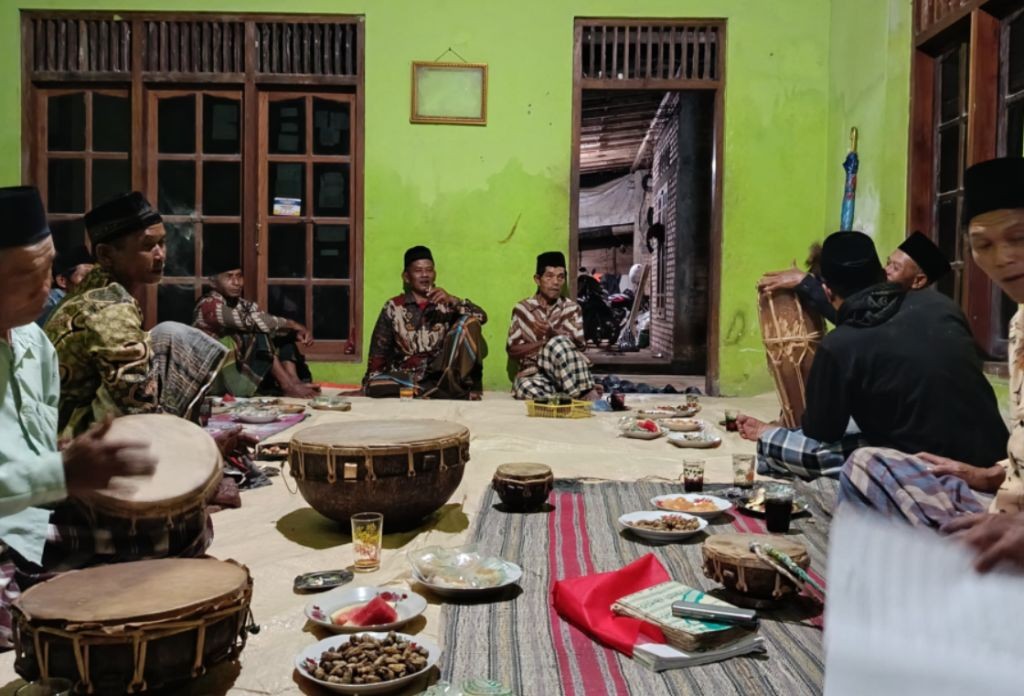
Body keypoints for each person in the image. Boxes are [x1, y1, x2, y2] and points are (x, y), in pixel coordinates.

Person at [840, 158, 1024, 575]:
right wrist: (984, 474)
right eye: (984, 244)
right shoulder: (1019, 323)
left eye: (1019, 236)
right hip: (1000, 506)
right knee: (870, 463)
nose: (1004, 257)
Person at [0, 186, 158, 647]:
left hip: (33, 518)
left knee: (183, 527)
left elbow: (38, 445)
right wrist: (60, 472)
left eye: (48, 269)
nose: (46, 286)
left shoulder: (34, 344)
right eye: (24, 277)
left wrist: (68, 458)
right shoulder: (102, 308)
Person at [738, 230, 1006, 480]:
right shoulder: (942, 306)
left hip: (930, 465)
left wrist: (785, 429)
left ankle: (770, 436)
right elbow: (866, 322)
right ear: (880, 273)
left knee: (813, 451)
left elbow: (822, 433)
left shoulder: (838, 345)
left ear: (828, 291)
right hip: (995, 457)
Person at [44, 192, 227, 437]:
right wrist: (191, 443)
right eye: (147, 246)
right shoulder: (109, 310)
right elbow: (137, 405)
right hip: (68, 441)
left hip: (65, 424)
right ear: (106, 255)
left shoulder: (95, 288)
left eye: (162, 243)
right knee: (173, 337)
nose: (160, 254)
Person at [193, 239, 319, 399]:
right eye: (229, 277)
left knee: (282, 334)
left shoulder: (243, 305)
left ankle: (293, 381)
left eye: (239, 276)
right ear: (213, 282)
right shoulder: (208, 305)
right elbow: (252, 322)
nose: (236, 282)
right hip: (214, 374)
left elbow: (265, 321)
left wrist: (292, 333)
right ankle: (287, 385)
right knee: (258, 331)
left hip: (239, 370)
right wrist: (293, 324)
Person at [363, 245, 486, 399]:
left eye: (429, 270)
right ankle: (442, 392)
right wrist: (371, 380)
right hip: (408, 376)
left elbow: (481, 318)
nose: (424, 275)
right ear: (406, 277)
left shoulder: (446, 303)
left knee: (468, 322)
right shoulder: (394, 306)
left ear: (434, 274)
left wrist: (454, 301)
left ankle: (441, 388)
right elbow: (379, 348)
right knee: (375, 384)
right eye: (418, 271)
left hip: (441, 372)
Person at [758, 231, 952, 324]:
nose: (886, 270)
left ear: (919, 281)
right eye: (887, 262)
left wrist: (807, 284)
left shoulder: (913, 313)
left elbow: (857, 319)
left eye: (896, 267)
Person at [507, 251, 600, 401]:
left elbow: (579, 346)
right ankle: (573, 395)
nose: (555, 282)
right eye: (549, 276)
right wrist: (543, 344)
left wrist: (553, 335)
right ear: (538, 279)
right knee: (523, 387)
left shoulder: (572, 308)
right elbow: (512, 350)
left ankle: (584, 394)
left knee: (558, 342)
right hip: (535, 374)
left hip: (566, 373)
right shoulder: (522, 309)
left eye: (560, 277)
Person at [35, 245, 92, 327]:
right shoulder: (50, 306)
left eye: (94, 274)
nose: (92, 279)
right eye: (85, 276)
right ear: (62, 281)